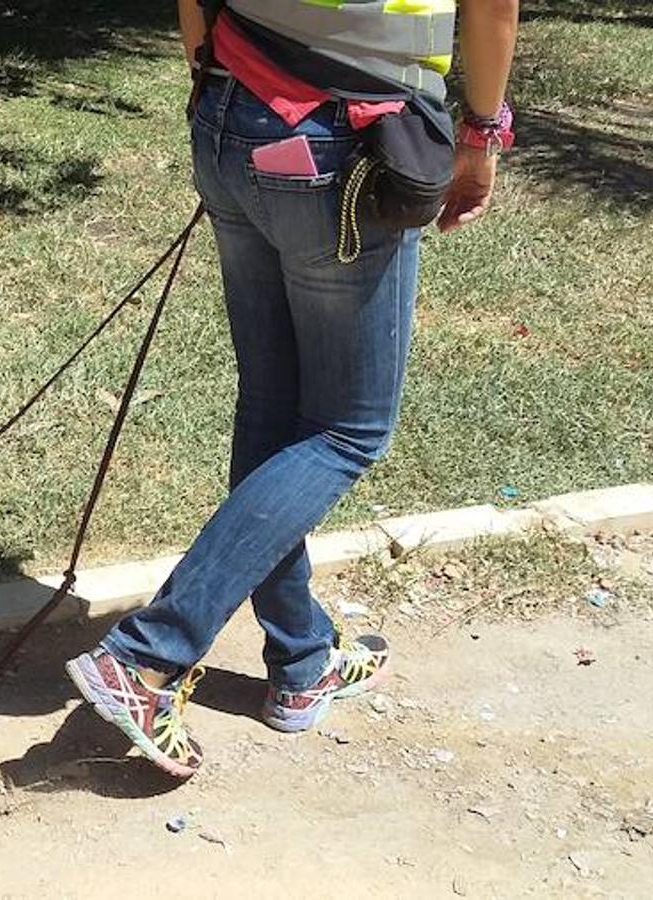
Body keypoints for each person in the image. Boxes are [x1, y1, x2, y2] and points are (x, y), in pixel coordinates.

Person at [65, 0, 520, 778]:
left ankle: (302, 659)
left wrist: (223, 93)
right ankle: (147, 655)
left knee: (272, 410)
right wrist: (480, 138)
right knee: (349, 432)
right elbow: (493, 8)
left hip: (227, 108)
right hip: (342, 141)